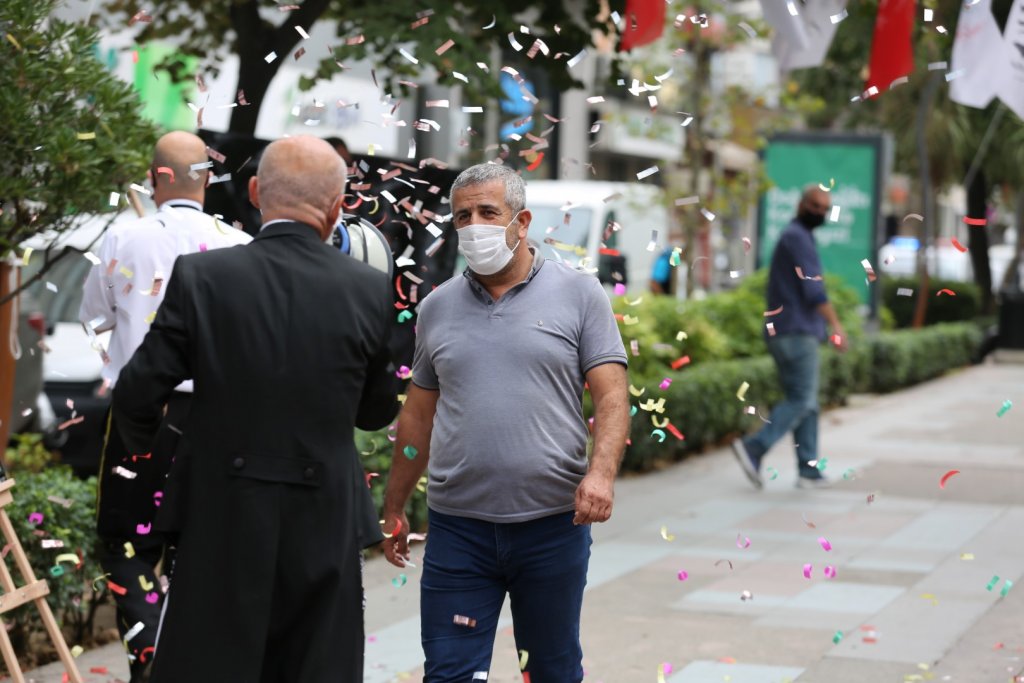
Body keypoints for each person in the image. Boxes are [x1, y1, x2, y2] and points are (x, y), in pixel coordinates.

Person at [111, 135, 399, 682]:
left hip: (222, 505)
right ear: (338, 207)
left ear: (253, 193)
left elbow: (137, 391)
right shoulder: (368, 289)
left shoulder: (204, 278)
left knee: (208, 662)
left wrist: (150, 447)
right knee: (317, 665)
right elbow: (375, 410)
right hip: (323, 512)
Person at [381, 163, 630, 682]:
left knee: (552, 670)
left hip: (552, 526)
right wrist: (395, 506)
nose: (474, 225)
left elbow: (611, 397)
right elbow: (418, 415)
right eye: (462, 215)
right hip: (458, 531)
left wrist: (601, 474)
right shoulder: (437, 308)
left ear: (522, 221)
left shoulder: (580, 294)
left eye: (488, 212)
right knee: (448, 674)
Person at [79, 130, 251, 681]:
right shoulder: (240, 246)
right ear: (206, 178)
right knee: (198, 543)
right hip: (218, 417)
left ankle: (150, 650)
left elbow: (96, 318)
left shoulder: (122, 238)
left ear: (157, 177)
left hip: (143, 414)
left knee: (125, 545)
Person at [731, 184, 847, 490]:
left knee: (807, 402)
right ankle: (754, 447)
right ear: (801, 204)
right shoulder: (798, 237)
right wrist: (836, 325)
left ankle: (809, 469)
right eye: (815, 206)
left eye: (825, 208)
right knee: (801, 399)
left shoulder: (797, 235)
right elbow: (814, 290)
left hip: (787, 332)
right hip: (796, 333)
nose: (819, 212)